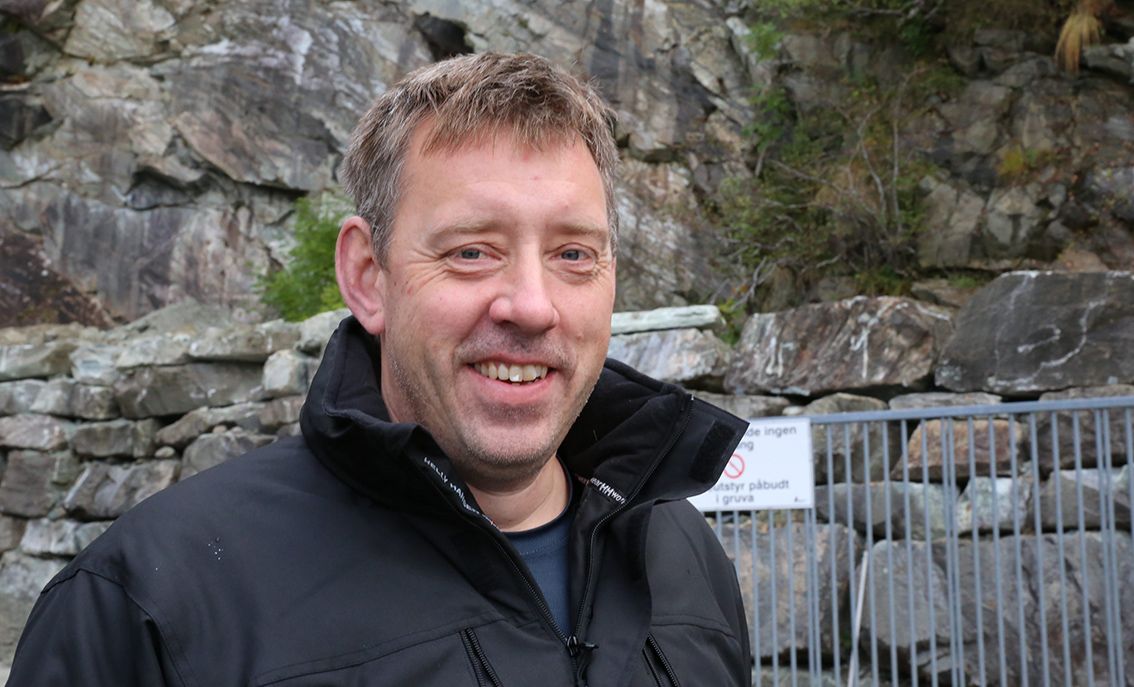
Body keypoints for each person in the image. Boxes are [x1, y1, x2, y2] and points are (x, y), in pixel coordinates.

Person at [9, 52, 750, 686]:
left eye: (574, 254)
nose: (531, 305)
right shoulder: (149, 602)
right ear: (368, 277)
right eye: (471, 251)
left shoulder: (682, 554)